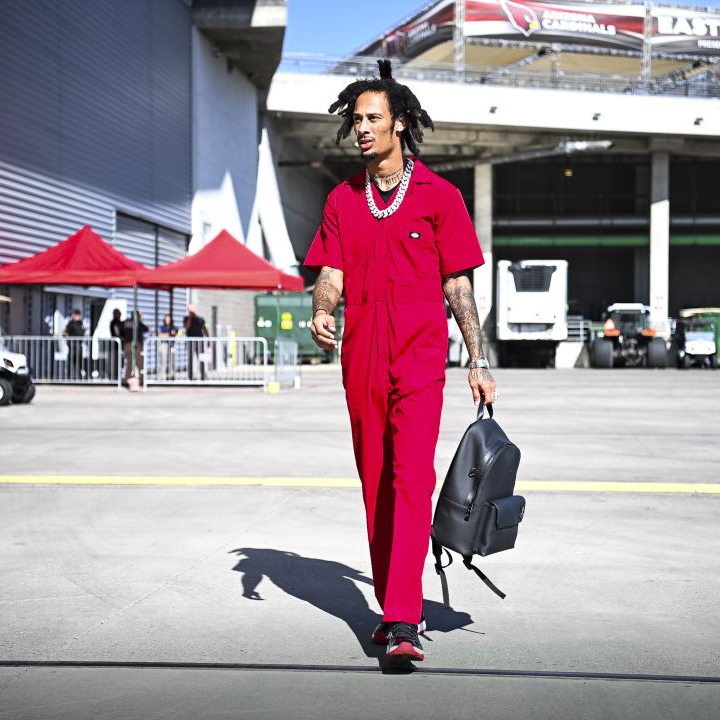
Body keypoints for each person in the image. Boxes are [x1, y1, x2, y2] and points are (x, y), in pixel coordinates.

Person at [304, 59, 495, 663]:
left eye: (372, 118)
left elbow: (459, 287)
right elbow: (330, 271)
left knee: (412, 479)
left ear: (400, 124)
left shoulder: (440, 197)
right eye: (355, 119)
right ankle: (393, 602)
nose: (361, 129)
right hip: (360, 356)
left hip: (418, 357)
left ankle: (402, 620)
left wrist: (477, 359)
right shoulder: (342, 199)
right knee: (375, 483)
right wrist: (323, 310)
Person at [121, 310, 148, 387]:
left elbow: (121, 332)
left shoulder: (125, 322)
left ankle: (127, 380)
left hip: (127, 345)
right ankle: (142, 380)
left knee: (129, 363)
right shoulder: (138, 323)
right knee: (139, 363)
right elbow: (146, 329)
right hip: (136, 345)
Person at [182, 304, 209, 381]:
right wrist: (190, 317)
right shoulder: (186, 318)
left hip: (199, 341)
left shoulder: (200, 319)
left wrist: (208, 339)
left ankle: (203, 375)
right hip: (190, 341)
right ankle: (190, 377)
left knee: (201, 358)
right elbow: (187, 327)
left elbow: (204, 329)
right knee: (190, 359)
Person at [62, 309, 86, 379]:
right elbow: (64, 332)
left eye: (79, 315)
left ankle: (78, 375)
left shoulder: (80, 323)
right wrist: (67, 337)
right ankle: (70, 375)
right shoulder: (70, 323)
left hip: (79, 344)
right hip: (73, 345)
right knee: (71, 360)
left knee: (79, 360)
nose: (78, 317)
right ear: (74, 315)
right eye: (77, 315)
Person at [158, 313, 178, 381]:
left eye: (168, 319)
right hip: (164, 344)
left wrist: (174, 334)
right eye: (166, 319)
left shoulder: (174, 327)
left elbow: (179, 333)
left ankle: (172, 375)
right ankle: (163, 376)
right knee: (163, 361)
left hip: (172, 345)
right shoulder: (162, 327)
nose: (167, 321)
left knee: (172, 361)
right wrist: (168, 334)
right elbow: (160, 335)